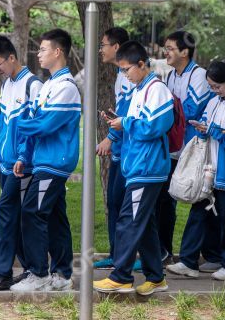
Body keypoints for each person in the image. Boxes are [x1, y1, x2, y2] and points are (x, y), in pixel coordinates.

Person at [93, 41, 173, 296]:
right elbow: (137, 124)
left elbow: (154, 126)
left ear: (142, 64)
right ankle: (156, 277)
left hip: (148, 168)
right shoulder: (140, 89)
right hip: (138, 166)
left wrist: (125, 123)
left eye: (127, 69)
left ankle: (121, 276)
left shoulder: (156, 89)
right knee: (144, 223)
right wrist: (120, 123)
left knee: (128, 221)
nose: (125, 75)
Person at [10, 29, 81, 292]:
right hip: (44, 161)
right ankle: (62, 275)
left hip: (54, 163)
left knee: (32, 213)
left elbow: (45, 124)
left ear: (57, 51)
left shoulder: (66, 87)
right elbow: (37, 123)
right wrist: (24, 155)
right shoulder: (50, 84)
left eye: (42, 49)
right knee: (54, 218)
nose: (38, 54)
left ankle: (38, 274)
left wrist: (19, 122)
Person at [168, 61, 225, 281]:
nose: (214, 90)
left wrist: (213, 130)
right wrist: (203, 129)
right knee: (198, 213)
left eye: (217, 86)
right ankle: (188, 260)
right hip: (208, 169)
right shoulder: (214, 102)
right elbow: (207, 124)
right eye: (211, 86)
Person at [0, 36, 42, 290]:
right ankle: (28, 268)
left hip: (22, 165)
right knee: (13, 217)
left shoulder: (33, 85)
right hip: (5, 163)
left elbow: (35, 128)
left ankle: (2, 272)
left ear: (12, 58)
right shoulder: (7, 85)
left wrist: (22, 157)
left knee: (7, 214)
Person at [159, 31, 213, 264]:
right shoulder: (170, 76)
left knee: (201, 198)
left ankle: (209, 255)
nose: (165, 52)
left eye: (170, 48)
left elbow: (190, 110)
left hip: (194, 151)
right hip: (173, 149)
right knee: (164, 201)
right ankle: (164, 251)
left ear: (185, 51)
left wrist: (165, 112)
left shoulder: (199, 75)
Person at [93, 27, 137, 271]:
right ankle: (116, 253)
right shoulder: (122, 75)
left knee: (124, 206)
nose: (101, 49)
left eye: (104, 44)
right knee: (114, 203)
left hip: (128, 151)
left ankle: (128, 258)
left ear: (117, 47)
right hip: (121, 149)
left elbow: (130, 111)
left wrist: (110, 136)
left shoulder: (129, 76)